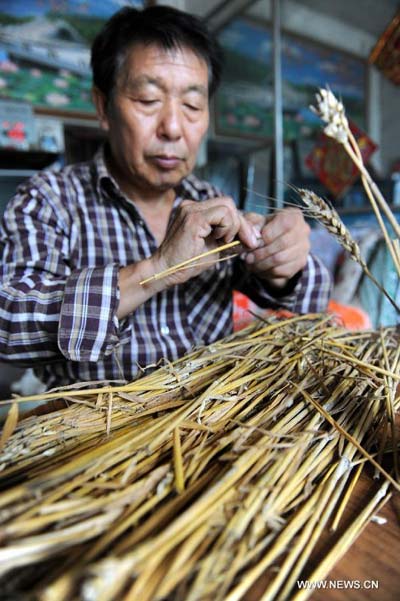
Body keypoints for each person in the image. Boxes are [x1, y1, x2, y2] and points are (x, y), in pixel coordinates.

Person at [0, 6, 330, 389]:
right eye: (146, 99)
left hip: (214, 427)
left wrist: (285, 260)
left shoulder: (209, 201)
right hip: (104, 438)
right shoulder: (50, 200)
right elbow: (9, 323)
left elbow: (311, 302)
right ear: (103, 106)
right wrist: (155, 271)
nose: (173, 128)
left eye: (192, 105)